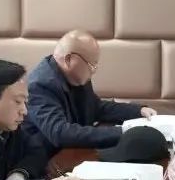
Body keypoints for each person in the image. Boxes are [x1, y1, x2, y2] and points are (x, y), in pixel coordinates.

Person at [24, 30, 156, 151]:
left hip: (73, 153)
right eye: (91, 65)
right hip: (46, 160)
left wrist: (138, 111)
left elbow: (96, 107)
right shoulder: (40, 85)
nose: (94, 71)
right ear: (69, 60)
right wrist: (123, 132)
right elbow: (60, 133)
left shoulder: (76, 77)